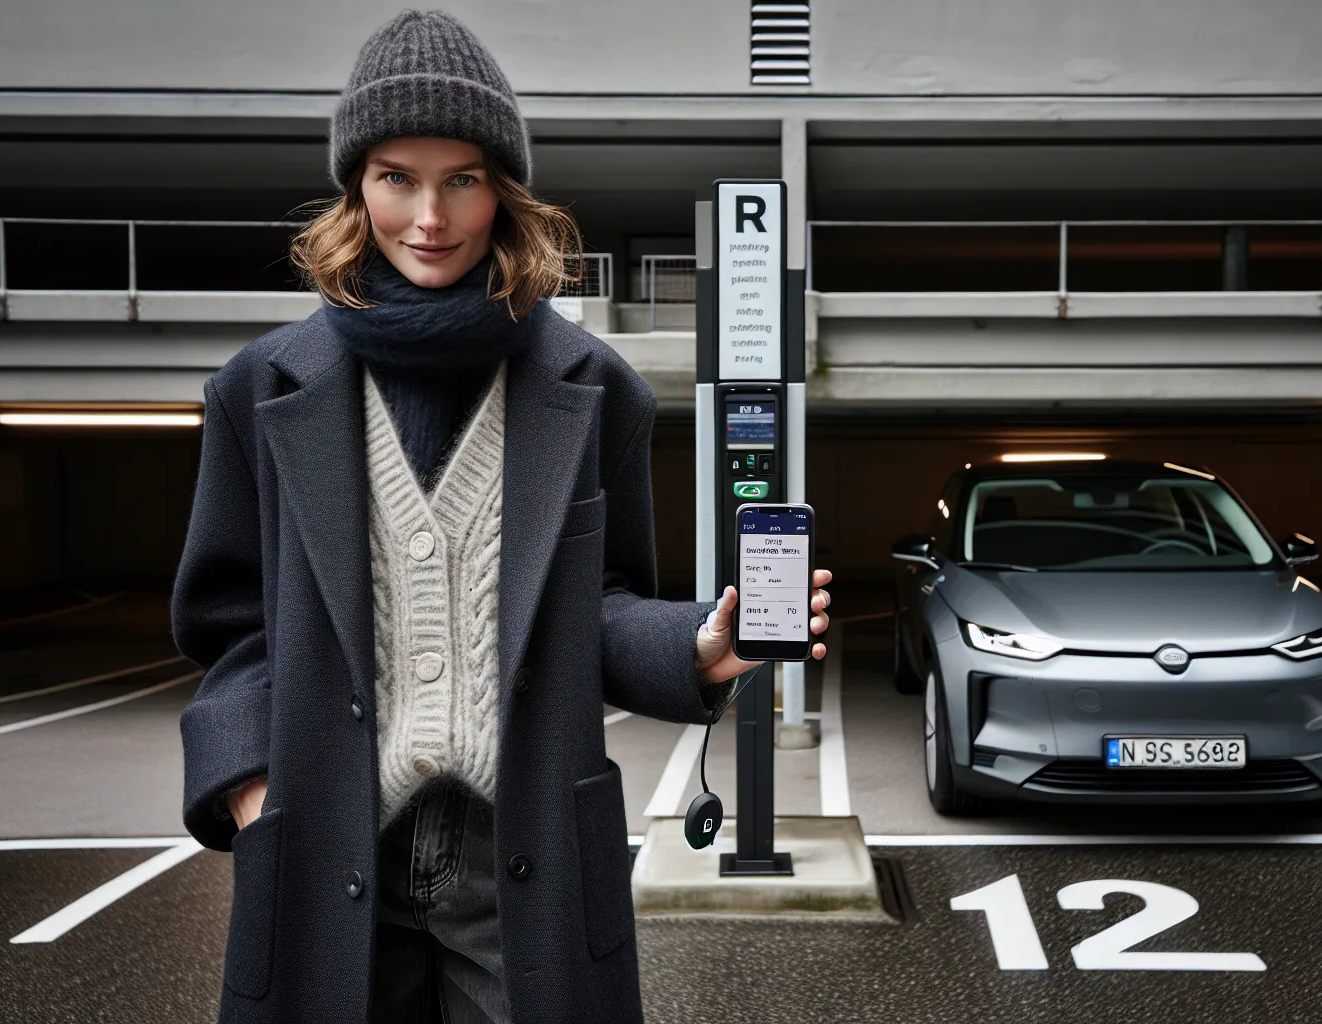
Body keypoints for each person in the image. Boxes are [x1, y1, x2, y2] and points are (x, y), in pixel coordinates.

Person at [169, 10, 832, 1023]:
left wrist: (703, 645)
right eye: (396, 177)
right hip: (327, 833)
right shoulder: (258, 389)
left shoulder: (593, 388)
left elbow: (603, 605)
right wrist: (255, 794)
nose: (428, 215)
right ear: (358, 189)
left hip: (521, 844)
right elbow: (228, 624)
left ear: (503, 191)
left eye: (462, 179)